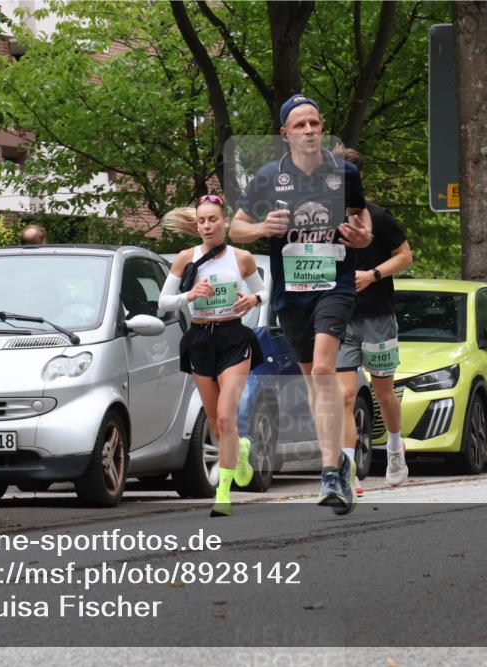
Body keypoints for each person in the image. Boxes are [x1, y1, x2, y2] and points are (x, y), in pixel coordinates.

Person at [229, 94, 373, 515]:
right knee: (314, 381)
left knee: (326, 369)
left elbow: (361, 220)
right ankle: (337, 467)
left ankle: (330, 471)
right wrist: (260, 228)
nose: (309, 130)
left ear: (321, 127)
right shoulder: (267, 177)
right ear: (285, 134)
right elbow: (236, 227)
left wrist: (362, 237)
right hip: (292, 292)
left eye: (315, 123)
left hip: (335, 285)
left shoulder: (344, 172)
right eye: (300, 125)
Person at [158, 194, 269, 517]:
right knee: (219, 428)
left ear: (225, 222)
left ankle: (223, 494)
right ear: (197, 225)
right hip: (200, 340)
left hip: (233, 337)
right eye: (202, 220)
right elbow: (164, 302)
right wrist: (189, 295)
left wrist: (252, 301)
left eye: (213, 219)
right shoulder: (185, 258)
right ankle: (242, 450)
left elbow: (261, 291)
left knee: (224, 417)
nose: (207, 225)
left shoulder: (242, 257)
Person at [335, 148, 413, 487]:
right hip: (340, 319)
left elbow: (406, 257)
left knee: (383, 392)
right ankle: (346, 470)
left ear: (359, 178)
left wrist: (372, 275)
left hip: (378, 316)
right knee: (343, 397)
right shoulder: (323, 219)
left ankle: (395, 448)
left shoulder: (379, 218)